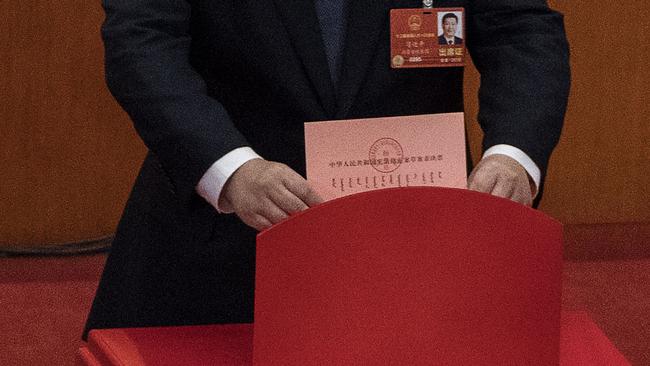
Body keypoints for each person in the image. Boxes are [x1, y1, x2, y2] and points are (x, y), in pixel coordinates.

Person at [83, 0, 570, 337]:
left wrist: (513, 155)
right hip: (226, 230)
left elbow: (521, 31)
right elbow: (141, 42)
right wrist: (230, 169)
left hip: (422, 236)